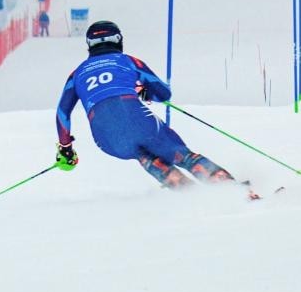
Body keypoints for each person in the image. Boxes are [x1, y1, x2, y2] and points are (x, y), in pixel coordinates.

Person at [54, 21, 237, 188]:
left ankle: (186, 191)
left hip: (105, 136)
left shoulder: (76, 74)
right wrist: (143, 91)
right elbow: (163, 93)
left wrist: (66, 149)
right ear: (118, 40)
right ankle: (229, 188)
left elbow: (62, 113)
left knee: (141, 153)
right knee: (180, 154)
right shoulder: (129, 61)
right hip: (135, 116)